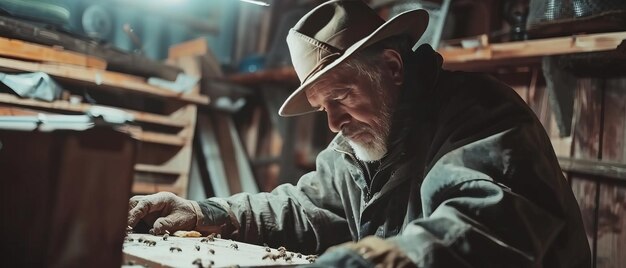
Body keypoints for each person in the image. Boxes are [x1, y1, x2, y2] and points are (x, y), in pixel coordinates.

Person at [127, 1, 591, 267]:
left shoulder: (479, 116)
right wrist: (210, 211)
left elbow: (476, 230)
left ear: (391, 68)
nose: (332, 122)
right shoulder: (360, 143)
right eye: (321, 107)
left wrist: (359, 264)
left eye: (341, 96)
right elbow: (306, 207)